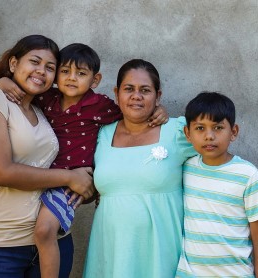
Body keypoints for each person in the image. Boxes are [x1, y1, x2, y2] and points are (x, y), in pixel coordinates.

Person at [0, 47, 168, 277]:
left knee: (44, 230)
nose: (71, 78)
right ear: (56, 74)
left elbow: (134, 111)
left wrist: (159, 111)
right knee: (28, 227)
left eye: (80, 73)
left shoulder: (100, 106)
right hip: (43, 177)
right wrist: (3, 82)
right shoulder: (48, 98)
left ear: (95, 80)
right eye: (65, 71)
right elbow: (20, 88)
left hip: (69, 183)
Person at [0, 35, 95, 278]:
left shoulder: (44, 109)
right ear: (14, 63)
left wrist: (86, 188)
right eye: (34, 62)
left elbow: (70, 159)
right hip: (2, 246)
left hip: (55, 242)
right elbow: (1, 172)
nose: (41, 71)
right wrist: (70, 178)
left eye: (50, 68)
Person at [83, 59, 196, 277]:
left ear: (158, 96)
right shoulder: (101, 134)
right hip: (111, 249)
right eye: (129, 89)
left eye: (145, 90)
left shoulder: (177, 131)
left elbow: (214, 149)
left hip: (161, 251)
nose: (136, 96)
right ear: (117, 94)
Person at [176, 92, 258, 277]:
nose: (209, 136)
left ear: (233, 132)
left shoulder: (248, 175)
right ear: (188, 133)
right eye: (200, 128)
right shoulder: (184, 169)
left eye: (218, 128)